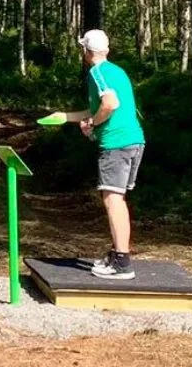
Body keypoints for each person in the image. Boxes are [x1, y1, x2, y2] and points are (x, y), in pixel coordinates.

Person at [60, 28, 144, 279]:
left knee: (112, 200)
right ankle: (119, 255)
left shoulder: (97, 72)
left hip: (116, 143)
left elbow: (109, 104)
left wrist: (92, 124)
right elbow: (98, 107)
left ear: (86, 51)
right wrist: (65, 117)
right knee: (117, 198)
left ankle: (122, 263)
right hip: (134, 141)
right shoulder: (117, 71)